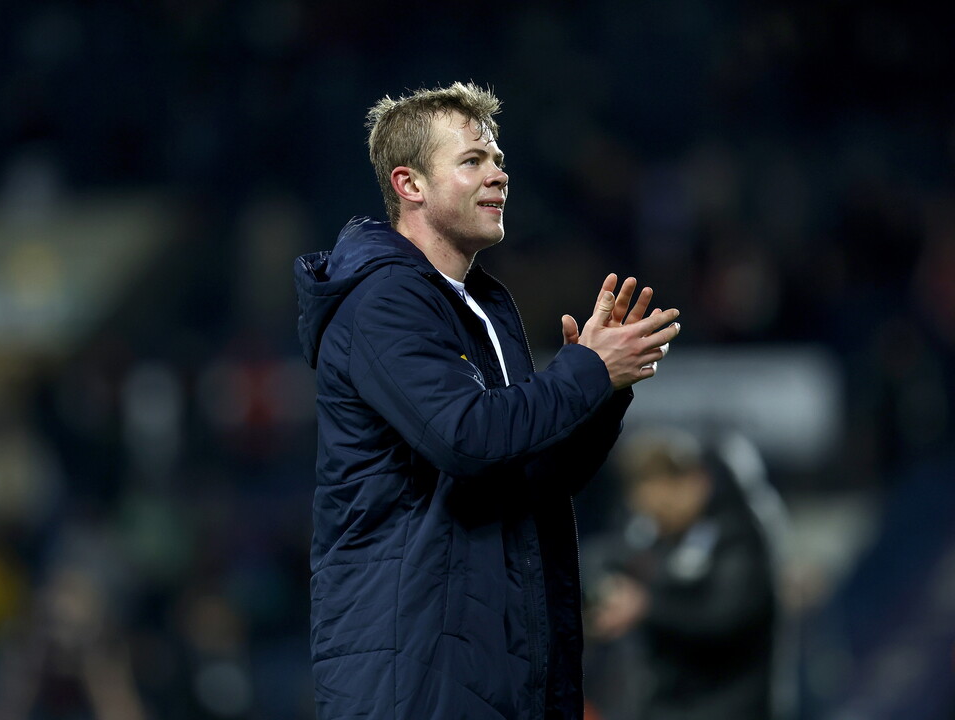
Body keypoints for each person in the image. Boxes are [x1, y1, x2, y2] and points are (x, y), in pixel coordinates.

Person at [294, 82, 681, 720]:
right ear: (410, 184)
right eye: (472, 160)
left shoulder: (477, 308)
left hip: (491, 655)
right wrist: (584, 371)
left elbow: (530, 474)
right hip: (414, 668)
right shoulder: (382, 302)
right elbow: (467, 439)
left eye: (498, 158)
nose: (498, 173)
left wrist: (604, 391)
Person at [585, 428, 788, 720]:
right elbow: (602, 558)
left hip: (728, 709)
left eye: (662, 493)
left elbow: (725, 616)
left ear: (695, 480)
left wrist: (646, 606)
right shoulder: (658, 537)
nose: (652, 508)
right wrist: (605, 591)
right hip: (667, 707)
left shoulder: (738, 538)